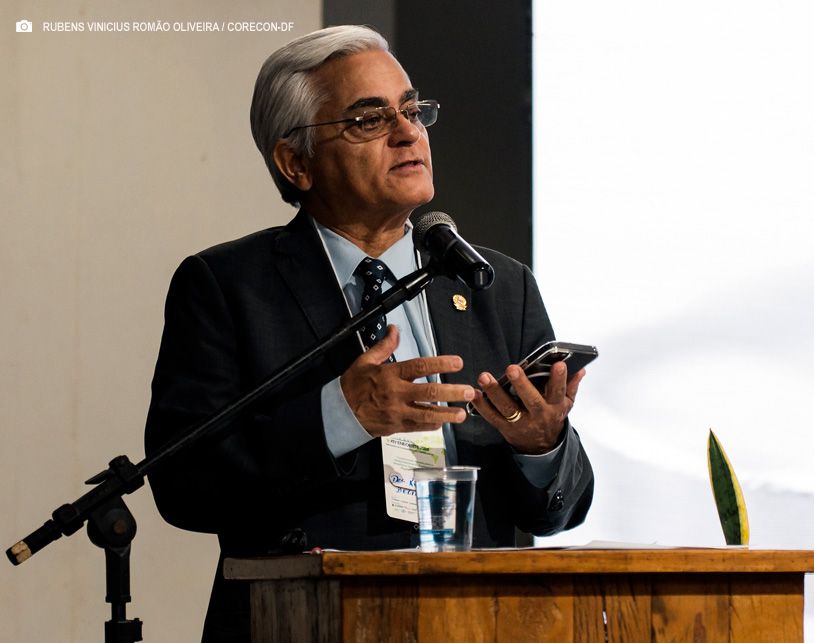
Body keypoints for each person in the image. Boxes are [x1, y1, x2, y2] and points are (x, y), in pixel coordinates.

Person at [144, 25, 594, 643]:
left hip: (475, 622)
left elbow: (557, 511)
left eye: (412, 110)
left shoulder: (498, 285)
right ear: (296, 162)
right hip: (302, 623)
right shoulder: (228, 287)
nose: (408, 133)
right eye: (369, 120)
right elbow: (184, 485)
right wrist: (340, 416)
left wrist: (542, 447)